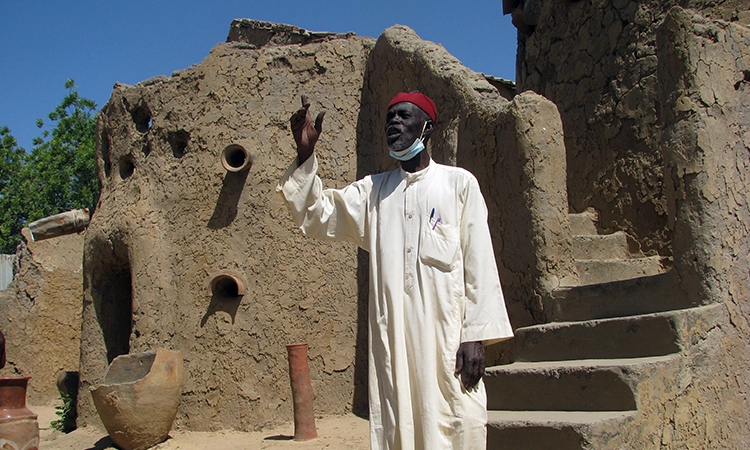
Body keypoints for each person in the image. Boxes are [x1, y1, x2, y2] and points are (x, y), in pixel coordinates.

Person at [277, 92, 513, 449]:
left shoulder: (458, 184)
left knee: (458, 421)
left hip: (448, 342)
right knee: (398, 426)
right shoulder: (374, 192)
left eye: (403, 115)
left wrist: (474, 335)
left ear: (427, 126)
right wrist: (306, 154)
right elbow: (317, 215)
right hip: (394, 341)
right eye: (389, 118)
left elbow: (478, 260)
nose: (394, 123)